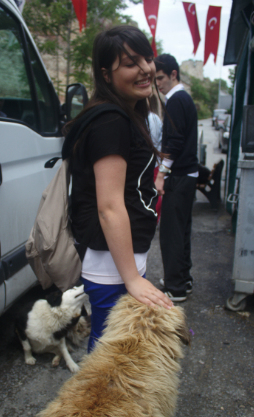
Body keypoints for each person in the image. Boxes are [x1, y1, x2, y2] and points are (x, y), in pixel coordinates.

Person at [62, 26, 173, 351]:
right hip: (110, 264)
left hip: (117, 260)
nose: (145, 70)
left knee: (114, 349)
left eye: (147, 59)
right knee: (110, 354)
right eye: (130, 63)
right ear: (106, 75)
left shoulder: (125, 113)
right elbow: (108, 207)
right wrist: (132, 278)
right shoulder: (110, 120)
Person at [154, 54, 198, 302]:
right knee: (181, 230)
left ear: (173, 74)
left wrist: (161, 174)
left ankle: (176, 287)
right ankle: (182, 279)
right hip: (187, 175)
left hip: (179, 175)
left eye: (160, 78)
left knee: (171, 231)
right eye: (155, 79)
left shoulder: (176, 100)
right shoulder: (183, 99)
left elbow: (175, 141)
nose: (157, 84)